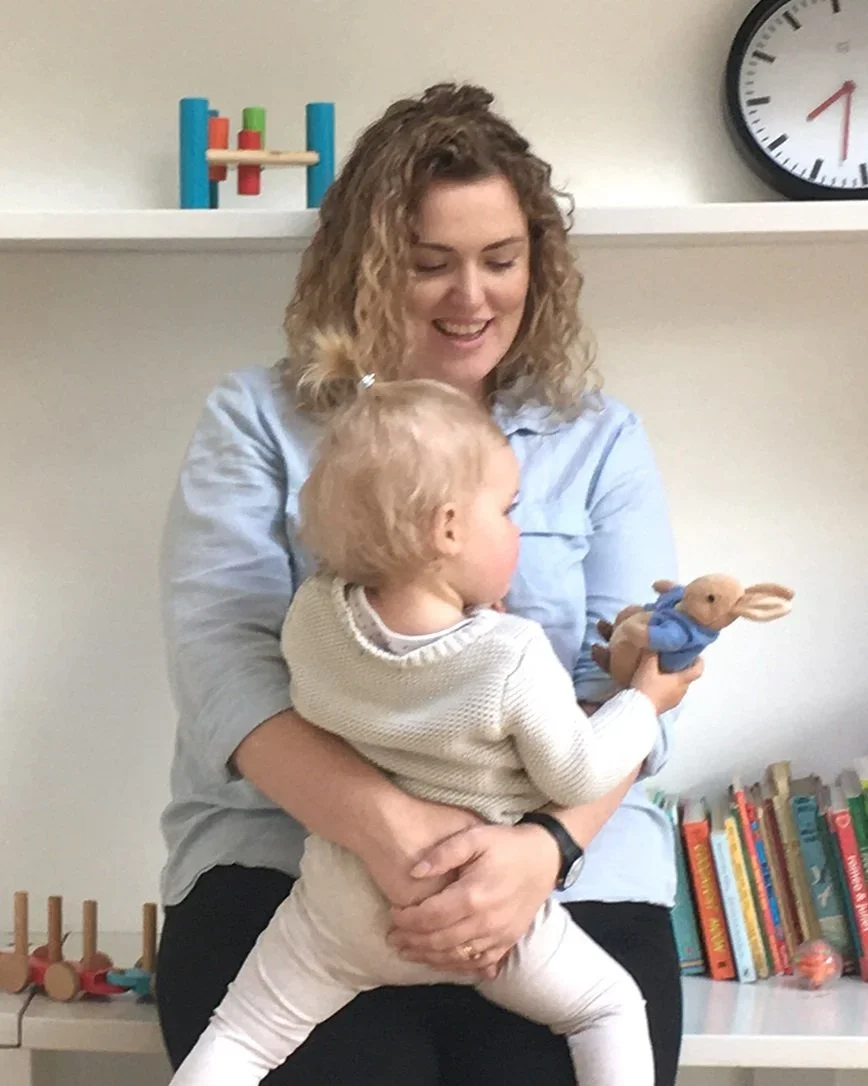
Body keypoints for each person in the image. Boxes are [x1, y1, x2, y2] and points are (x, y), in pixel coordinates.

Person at [155, 81, 702, 1086]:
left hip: (562, 875)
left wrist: (539, 852)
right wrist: (397, 837)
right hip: (291, 866)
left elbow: (634, 701)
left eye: (502, 260)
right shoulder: (256, 421)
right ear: (366, 266)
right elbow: (222, 673)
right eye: (429, 265)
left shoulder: (598, 437)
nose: (472, 296)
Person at [166, 379, 698, 1086]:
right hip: (488, 907)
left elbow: (329, 676)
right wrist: (643, 700)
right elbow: (578, 773)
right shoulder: (513, 655)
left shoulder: (313, 617)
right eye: (508, 512)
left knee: (241, 1035)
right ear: (449, 529)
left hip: (339, 904)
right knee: (607, 1010)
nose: (515, 527)